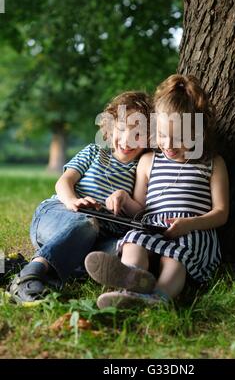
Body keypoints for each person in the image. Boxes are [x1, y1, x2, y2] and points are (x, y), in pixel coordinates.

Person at [85, 74, 229, 308]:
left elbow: (221, 212)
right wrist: (123, 197)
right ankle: (130, 281)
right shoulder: (149, 161)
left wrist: (190, 224)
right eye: (162, 136)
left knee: (175, 257)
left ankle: (159, 297)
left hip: (192, 232)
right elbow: (139, 209)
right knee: (133, 240)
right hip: (153, 226)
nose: (169, 145)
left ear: (198, 133)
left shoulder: (212, 163)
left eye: (179, 138)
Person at [8, 91, 155, 303]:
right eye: (122, 129)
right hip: (60, 215)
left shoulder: (141, 167)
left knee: (126, 251)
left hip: (99, 235)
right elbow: (64, 182)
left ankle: (30, 266)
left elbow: (138, 211)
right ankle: (28, 276)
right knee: (86, 223)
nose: (127, 139)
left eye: (138, 134)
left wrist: (124, 197)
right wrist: (72, 201)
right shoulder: (94, 152)